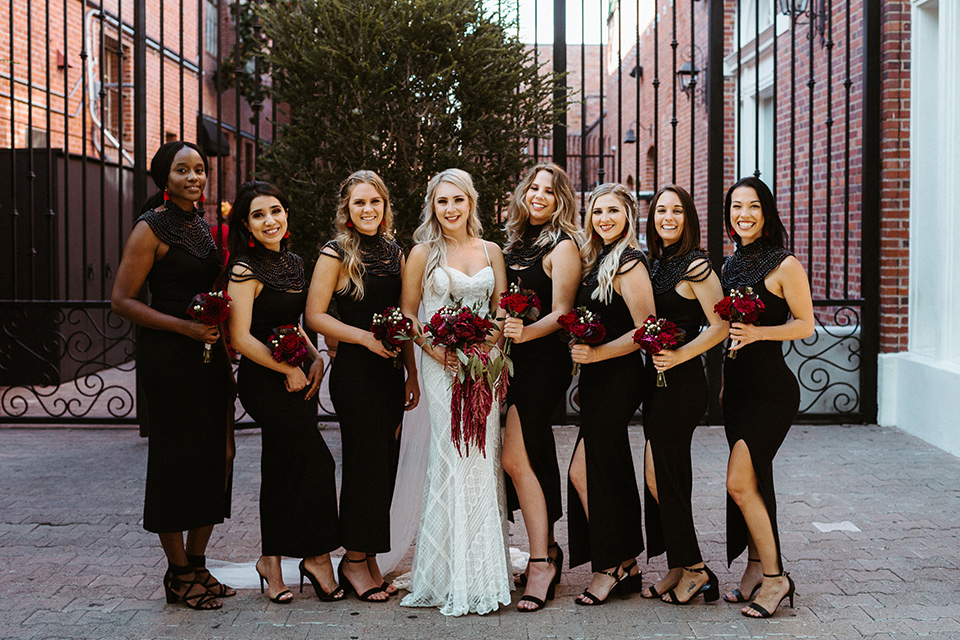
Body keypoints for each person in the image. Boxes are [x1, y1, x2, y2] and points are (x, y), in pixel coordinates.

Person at [110, 141, 234, 610]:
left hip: (208, 354)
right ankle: (178, 573)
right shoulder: (151, 228)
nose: (194, 177)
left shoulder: (201, 227)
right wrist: (184, 326)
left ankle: (199, 562)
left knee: (217, 455)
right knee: (175, 461)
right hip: (169, 358)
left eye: (199, 169)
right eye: (183, 170)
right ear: (165, 179)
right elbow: (122, 300)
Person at [399, 168, 511, 616]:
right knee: (451, 457)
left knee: (482, 460)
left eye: (458, 201)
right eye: (442, 202)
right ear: (433, 205)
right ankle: (445, 575)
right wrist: (435, 349)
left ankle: (483, 573)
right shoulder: (422, 253)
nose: (450, 209)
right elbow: (409, 316)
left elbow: (502, 310)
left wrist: (488, 351)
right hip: (440, 366)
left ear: (471, 203)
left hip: (485, 367)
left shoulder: (492, 251)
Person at [225, 181, 342, 604]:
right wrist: (288, 368)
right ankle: (317, 557)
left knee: (279, 468)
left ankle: (271, 563)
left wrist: (315, 357)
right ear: (246, 225)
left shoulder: (293, 262)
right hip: (265, 381)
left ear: (286, 214)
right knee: (317, 463)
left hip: (295, 373)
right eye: (258, 215)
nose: (269, 220)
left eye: (275, 211)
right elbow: (240, 337)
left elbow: (291, 321)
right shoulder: (244, 270)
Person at [306, 170, 419, 602]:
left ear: (385, 206)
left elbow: (404, 318)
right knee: (363, 465)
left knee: (383, 466)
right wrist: (363, 339)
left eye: (375, 202)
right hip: (355, 374)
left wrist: (410, 371)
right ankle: (354, 560)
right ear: (347, 211)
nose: (368, 209)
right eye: (359, 203)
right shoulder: (336, 253)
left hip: (390, 375)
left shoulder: (395, 252)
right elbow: (315, 315)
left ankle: (368, 556)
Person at [720, 176, 814, 618]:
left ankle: (777, 580)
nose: (744, 214)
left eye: (753, 206)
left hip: (772, 393)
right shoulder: (729, 264)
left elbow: (805, 324)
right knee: (757, 481)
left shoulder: (785, 264)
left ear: (767, 212)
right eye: (737, 207)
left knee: (738, 482)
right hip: (735, 391)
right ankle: (756, 566)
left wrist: (758, 333)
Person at [639, 185, 728, 604]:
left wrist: (678, 356)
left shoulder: (697, 267)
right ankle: (679, 565)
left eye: (676, 210)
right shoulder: (657, 264)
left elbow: (720, 326)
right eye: (660, 210)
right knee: (664, 474)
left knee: (663, 474)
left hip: (684, 382)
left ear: (688, 218)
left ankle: (695, 570)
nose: (668, 217)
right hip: (658, 382)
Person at [567, 182, 654, 605]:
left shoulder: (630, 263)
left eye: (613, 212)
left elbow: (646, 330)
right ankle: (626, 565)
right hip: (598, 379)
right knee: (594, 470)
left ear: (628, 218)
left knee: (594, 471)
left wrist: (597, 353)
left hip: (619, 377)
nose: (604, 219)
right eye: (598, 212)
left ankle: (614, 564)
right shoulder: (596, 259)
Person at [500, 163, 581, 612]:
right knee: (528, 454)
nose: (539, 195)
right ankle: (546, 550)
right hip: (509, 362)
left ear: (560, 199)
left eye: (549, 191)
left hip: (541, 362)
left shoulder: (563, 245)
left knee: (517, 456)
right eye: (533, 188)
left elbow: (562, 314)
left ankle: (541, 563)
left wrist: (522, 334)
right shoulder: (514, 242)